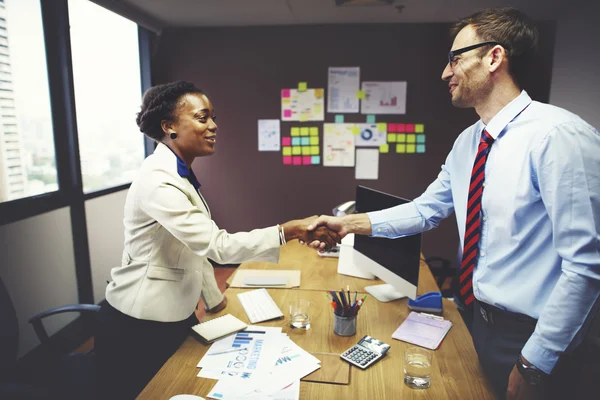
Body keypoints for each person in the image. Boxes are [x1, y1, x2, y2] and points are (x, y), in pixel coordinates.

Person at [307, 7, 600, 400]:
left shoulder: (559, 136)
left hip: (534, 338)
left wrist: (535, 362)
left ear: (494, 57)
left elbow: (586, 264)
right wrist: (349, 224)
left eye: (455, 58)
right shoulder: (469, 141)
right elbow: (427, 209)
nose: (446, 72)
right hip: (478, 319)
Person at [94, 81, 340, 399]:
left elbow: (192, 248)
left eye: (212, 117)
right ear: (169, 126)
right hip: (139, 323)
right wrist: (289, 230)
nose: (213, 126)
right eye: (202, 117)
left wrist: (214, 299)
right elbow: (216, 245)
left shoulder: (178, 174)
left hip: (172, 314)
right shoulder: (159, 181)